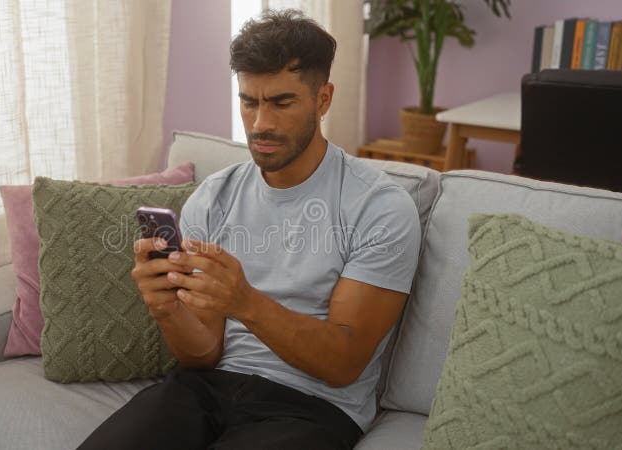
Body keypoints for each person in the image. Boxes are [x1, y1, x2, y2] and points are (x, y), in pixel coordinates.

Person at [78, 9, 420, 450]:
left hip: (312, 406)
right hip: (203, 388)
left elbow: (344, 363)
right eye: (249, 102)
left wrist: (246, 302)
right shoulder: (214, 197)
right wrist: (165, 309)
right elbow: (202, 353)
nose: (260, 124)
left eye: (281, 102)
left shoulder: (380, 207)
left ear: (323, 98)